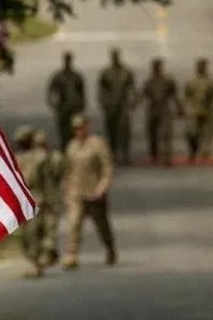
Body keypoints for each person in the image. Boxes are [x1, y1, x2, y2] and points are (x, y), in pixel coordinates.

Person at [60, 114, 117, 268]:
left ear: (87, 126)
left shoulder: (98, 144)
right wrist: (66, 189)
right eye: (75, 128)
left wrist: (102, 187)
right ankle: (72, 255)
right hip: (76, 192)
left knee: (102, 226)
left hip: (94, 193)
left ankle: (110, 249)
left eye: (81, 127)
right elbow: (67, 170)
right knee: (74, 224)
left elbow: (107, 168)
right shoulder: (72, 146)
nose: (79, 131)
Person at [14, 127, 63, 277]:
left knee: (34, 232)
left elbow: (48, 181)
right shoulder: (16, 158)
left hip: (37, 197)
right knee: (25, 235)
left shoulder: (41, 158)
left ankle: (37, 264)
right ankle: (40, 258)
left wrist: (50, 200)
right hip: (23, 200)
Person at [139, 57, 184, 166]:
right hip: (152, 108)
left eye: (158, 66)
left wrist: (180, 108)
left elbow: (175, 95)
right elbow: (142, 94)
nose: (156, 68)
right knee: (152, 134)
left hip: (164, 108)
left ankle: (167, 158)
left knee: (166, 133)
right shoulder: (149, 81)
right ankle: (154, 155)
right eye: (155, 66)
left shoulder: (168, 81)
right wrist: (133, 104)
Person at [98, 47, 137, 165]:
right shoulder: (106, 72)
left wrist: (133, 102)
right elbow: (101, 89)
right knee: (111, 130)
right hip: (110, 105)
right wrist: (103, 103)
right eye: (113, 56)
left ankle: (125, 155)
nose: (115, 58)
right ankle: (113, 154)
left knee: (124, 130)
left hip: (123, 105)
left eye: (116, 56)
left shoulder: (126, 72)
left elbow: (132, 87)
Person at [184, 58, 213, 163]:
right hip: (195, 111)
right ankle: (193, 151)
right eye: (199, 66)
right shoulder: (191, 81)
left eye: (203, 66)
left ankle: (204, 152)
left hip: (208, 111)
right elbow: (186, 96)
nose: (201, 68)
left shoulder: (211, 82)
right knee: (191, 133)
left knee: (207, 134)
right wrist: (185, 108)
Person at [47, 51, 86, 150]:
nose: (68, 62)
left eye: (69, 60)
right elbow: (50, 91)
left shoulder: (76, 76)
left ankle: (74, 152)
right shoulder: (59, 76)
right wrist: (54, 105)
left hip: (74, 109)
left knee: (75, 132)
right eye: (66, 60)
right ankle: (64, 150)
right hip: (63, 109)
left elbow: (82, 93)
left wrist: (81, 107)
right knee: (63, 133)